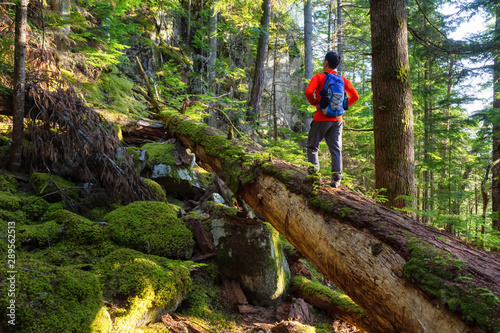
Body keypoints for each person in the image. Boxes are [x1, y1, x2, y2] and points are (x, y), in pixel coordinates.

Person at [305, 51, 359, 187]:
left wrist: (315, 102)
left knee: (312, 147)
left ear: (326, 62)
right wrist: (342, 107)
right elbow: (355, 96)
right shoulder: (342, 79)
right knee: (336, 149)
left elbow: (308, 92)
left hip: (321, 118)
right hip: (337, 119)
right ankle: (336, 178)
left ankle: (313, 175)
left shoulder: (319, 77)